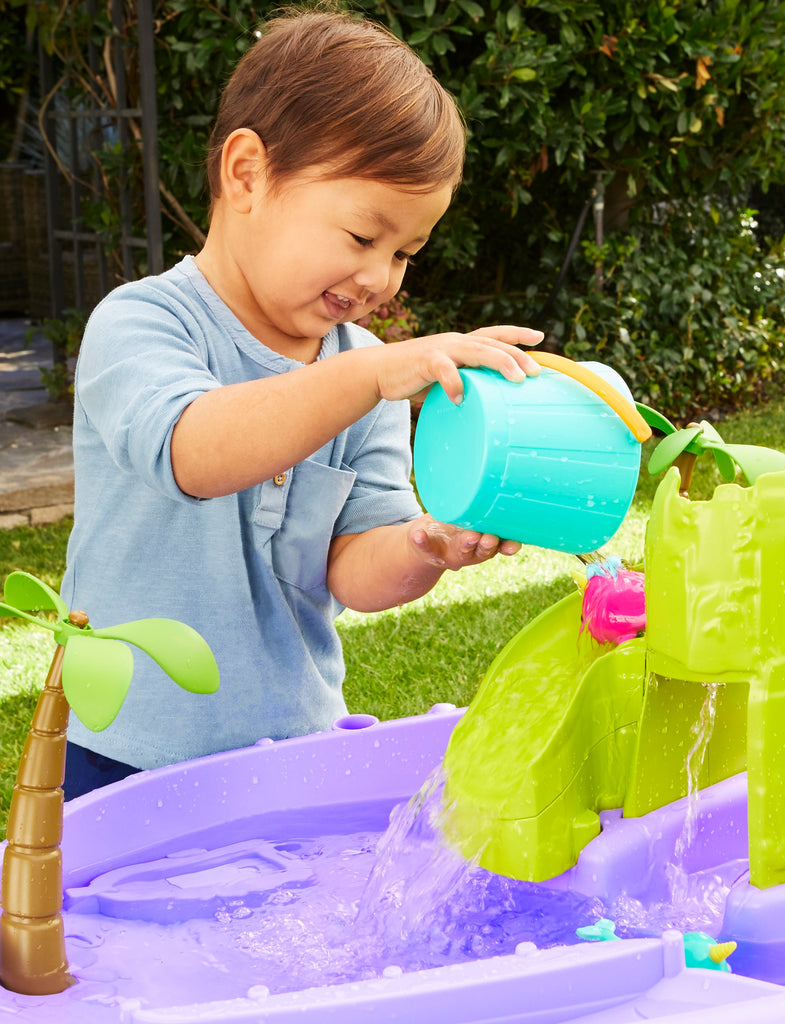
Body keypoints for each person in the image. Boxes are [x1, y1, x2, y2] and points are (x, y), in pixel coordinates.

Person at [60, 9, 542, 799]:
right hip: (121, 751)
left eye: (404, 253)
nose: (383, 276)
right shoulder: (142, 322)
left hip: (290, 754)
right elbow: (196, 452)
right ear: (246, 174)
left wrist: (426, 546)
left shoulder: (366, 372)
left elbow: (353, 567)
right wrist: (372, 378)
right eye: (361, 237)